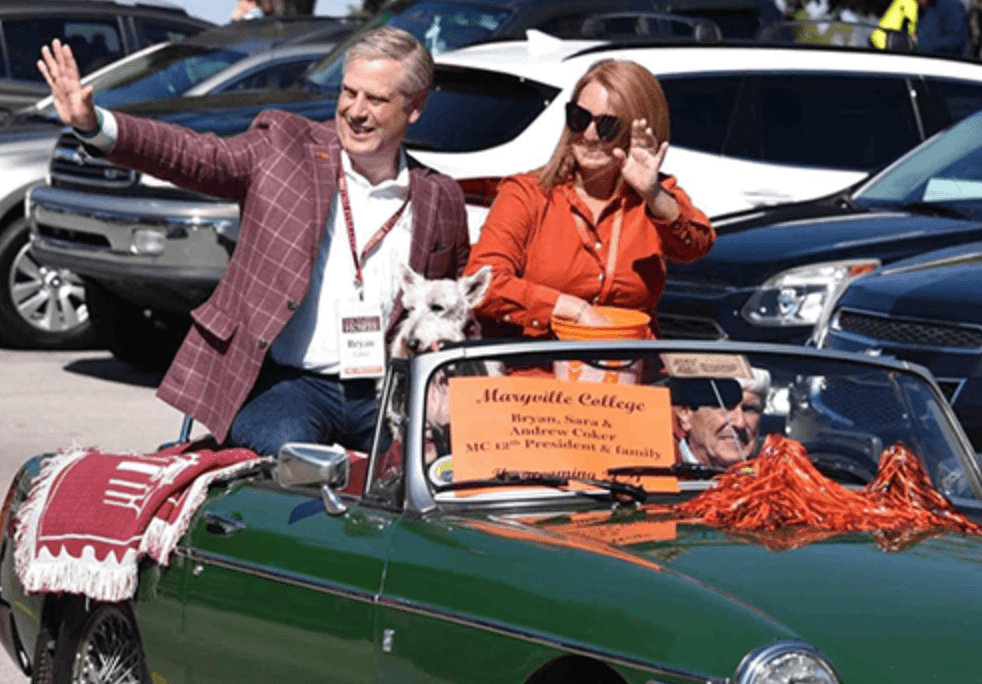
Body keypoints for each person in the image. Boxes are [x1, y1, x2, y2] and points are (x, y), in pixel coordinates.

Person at [37, 27, 470, 457]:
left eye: (375, 99)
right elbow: (196, 156)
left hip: (384, 390)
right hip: (287, 385)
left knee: (424, 472)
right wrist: (95, 125)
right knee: (294, 466)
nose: (355, 111)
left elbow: (456, 310)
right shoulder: (286, 148)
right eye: (348, 92)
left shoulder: (439, 197)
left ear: (415, 108)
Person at [462, 59, 714, 340]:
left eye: (608, 125)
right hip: (538, 374)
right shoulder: (527, 193)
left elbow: (697, 245)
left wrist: (653, 193)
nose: (590, 135)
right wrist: (571, 308)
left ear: (640, 132)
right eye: (579, 118)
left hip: (630, 371)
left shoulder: (651, 197)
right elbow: (483, 285)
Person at [674, 370, 770, 468]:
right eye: (724, 406)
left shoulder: (775, 476)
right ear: (685, 413)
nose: (740, 423)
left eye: (749, 409)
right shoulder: (662, 470)